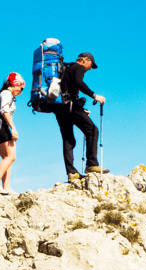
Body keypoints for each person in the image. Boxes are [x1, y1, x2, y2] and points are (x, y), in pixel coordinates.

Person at [56, 52, 108, 182]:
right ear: (85, 60)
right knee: (92, 130)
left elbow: (68, 88)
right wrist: (94, 95)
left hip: (60, 108)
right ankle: (91, 164)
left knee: (68, 140)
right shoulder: (78, 67)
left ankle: (71, 173)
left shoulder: (67, 70)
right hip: (70, 107)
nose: (90, 68)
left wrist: (81, 109)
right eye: (91, 64)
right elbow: (79, 83)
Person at [0, 73, 24, 195]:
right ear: (15, 84)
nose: (21, 92)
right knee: (11, 156)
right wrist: (13, 128)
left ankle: (6, 187)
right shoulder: (6, 93)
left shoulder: (3, 93)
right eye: (21, 88)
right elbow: (4, 110)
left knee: (8, 158)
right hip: (1, 127)